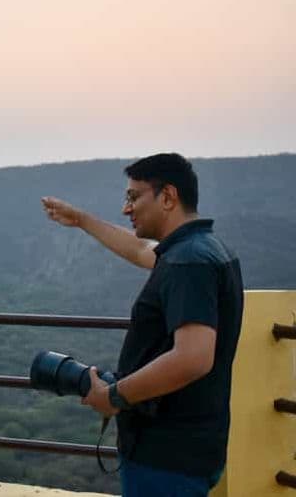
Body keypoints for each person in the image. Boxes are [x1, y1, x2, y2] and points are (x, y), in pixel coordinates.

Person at [42, 153, 243, 497]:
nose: (126, 208)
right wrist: (81, 220)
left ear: (167, 197)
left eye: (134, 197)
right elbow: (138, 251)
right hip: (191, 447)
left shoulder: (188, 262)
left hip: (167, 456)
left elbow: (193, 357)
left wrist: (115, 397)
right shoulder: (200, 249)